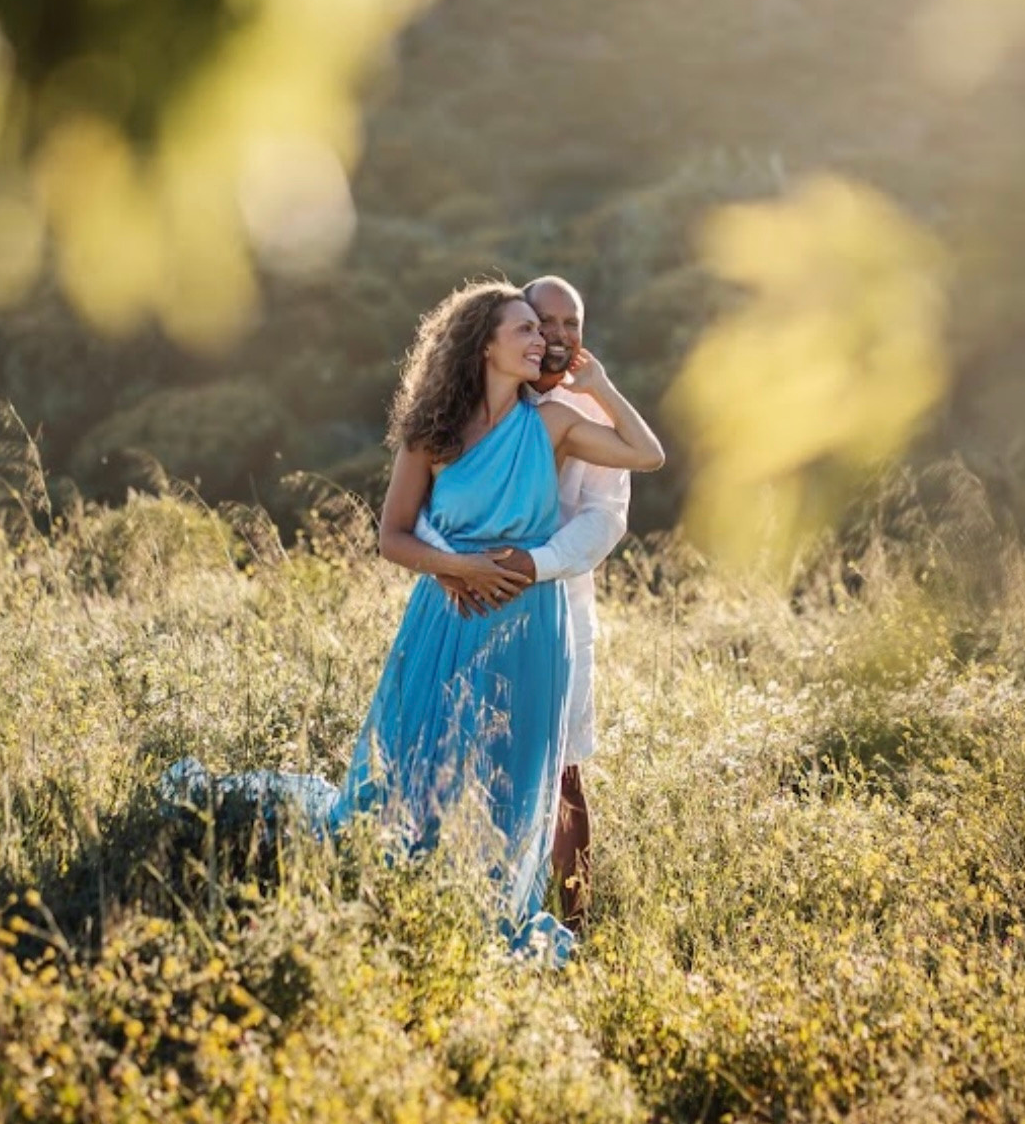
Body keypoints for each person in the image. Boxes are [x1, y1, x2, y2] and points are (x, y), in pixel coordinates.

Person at [162, 281, 663, 961]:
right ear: (484, 344)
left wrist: (599, 383)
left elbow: (646, 455)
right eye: (525, 329)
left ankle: (501, 907)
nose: (543, 340)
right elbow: (392, 537)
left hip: (533, 625)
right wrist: (459, 570)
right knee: (411, 760)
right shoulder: (431, 434)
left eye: (549, 328)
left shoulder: (554, 424)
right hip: (446, 614)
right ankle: (392, 886)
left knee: (519, 776)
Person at [418, 275, 629, 930]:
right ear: (517, 330)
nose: (558, 336)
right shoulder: (468, 406)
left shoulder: (591, 414)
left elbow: (605, 519)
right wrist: (454, 566)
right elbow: (424, 501)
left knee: (559, 769)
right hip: (466, 603)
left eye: (573, 324)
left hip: (558, 607)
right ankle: (446, 907)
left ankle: (573, 921)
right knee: (452, 750)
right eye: (545, 322)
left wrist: (532, 567)